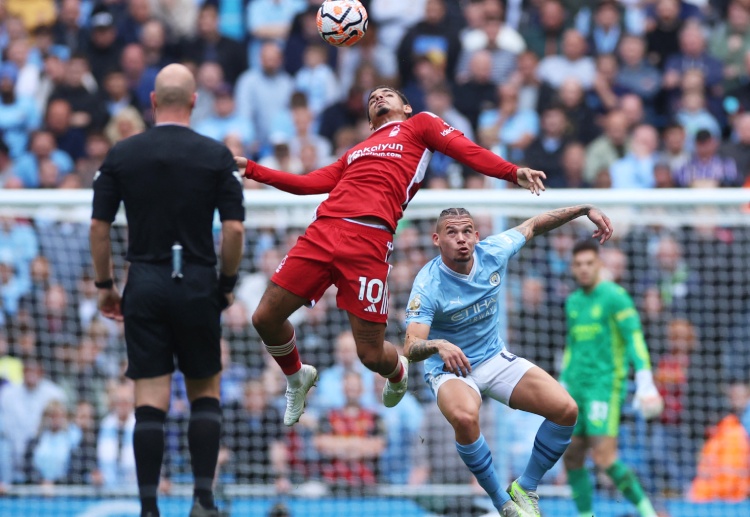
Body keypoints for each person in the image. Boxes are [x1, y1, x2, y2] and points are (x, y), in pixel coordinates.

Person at [234, 85, 547, 427]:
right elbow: (306, 183)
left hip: (369, 242)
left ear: (407, 106)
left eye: (387, 94)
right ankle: (296, 377)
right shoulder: (354, 152)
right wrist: (251, 168)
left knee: (369, 354)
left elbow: (465, 149)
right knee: (264, 318)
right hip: (323, 231)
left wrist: (511, 171)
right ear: (369, 122)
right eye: (372, 98)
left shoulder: (419, 126)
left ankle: (398, 370)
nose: (378, 97)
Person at [89, 64, 245, 517]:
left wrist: (106, 286)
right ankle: (202, 501)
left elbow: (99, 228)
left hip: (146, 280)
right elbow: (233, 230)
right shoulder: (216, 155)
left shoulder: (122, 154)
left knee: (150, 400)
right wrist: (226, 284)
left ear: (154, 102)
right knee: (204, 392)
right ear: (194, 101)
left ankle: (148, 508)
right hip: (197, 280)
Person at [402, 205, 612, 517]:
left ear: (476, 236)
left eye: (466, 232)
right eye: (452, 233)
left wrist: (583, 210)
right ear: (436, 239)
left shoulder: (494, 252)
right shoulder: (428, 283)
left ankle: (525, 488)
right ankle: (502, 502)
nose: (461, 239)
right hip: (450, 369)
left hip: (492, 357)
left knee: (566, 410)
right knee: (463, 417)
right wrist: (438, 344)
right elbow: (410, 345)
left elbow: (535, 223)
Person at [562, 240, 664, 517]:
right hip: (576, 390)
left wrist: (645, 379)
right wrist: (562, 382)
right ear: (572, 268)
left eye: (589, 263)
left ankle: (647, 511)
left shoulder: (615, 296)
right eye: (578, 264)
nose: (584, 269)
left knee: (605, 458)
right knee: (571, 457)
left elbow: (634, 338)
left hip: (604, 388)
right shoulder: (572, 302)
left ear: (599, 264)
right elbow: (572, 347)